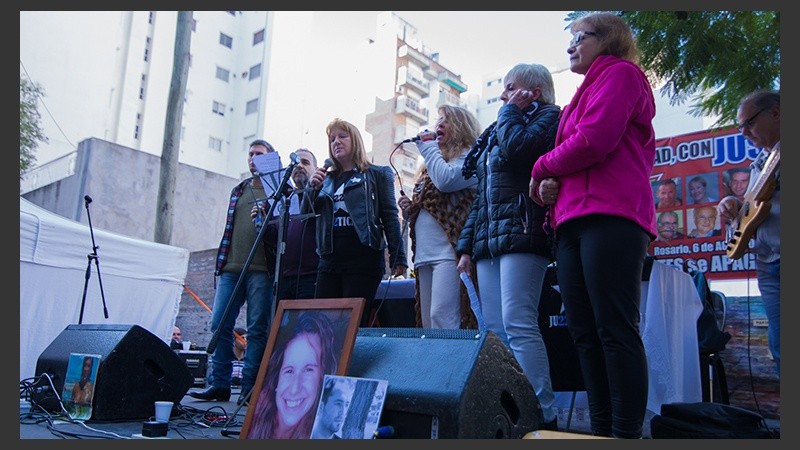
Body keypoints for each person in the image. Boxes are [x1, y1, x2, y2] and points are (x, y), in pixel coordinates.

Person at [529, 13, 656, 438]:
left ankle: (625, 434)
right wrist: (547, 187)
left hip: (612, 215)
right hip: (570, 220)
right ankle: (601, 432)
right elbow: (571, 159)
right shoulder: (580, 94)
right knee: (583, 332)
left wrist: (541, 168)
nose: (570, 47)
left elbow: (594, 141)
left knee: (615, 328)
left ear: (608, 39)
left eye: (579, 37)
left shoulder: (622, 74)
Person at [456, 63, 560, 430]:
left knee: (519, 323)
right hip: (489, 240)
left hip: (523, 231)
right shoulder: (503, 124)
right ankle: (512, 411)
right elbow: (482, 197)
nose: (503, 95)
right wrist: (466, 248)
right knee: (496, 333)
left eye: (511, 87)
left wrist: (509, 113)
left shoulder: (549, 117)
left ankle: (543, 413)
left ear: (534, 91)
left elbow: (519, 151)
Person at [189, 139, 277, 404]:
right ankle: (220, 384)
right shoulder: (239, 189)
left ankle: (249, 389)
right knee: (219, 324)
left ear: (270, 159)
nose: (253, 158)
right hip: (230, 268)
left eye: (259, 154)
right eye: (250, 154)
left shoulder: (277, 191)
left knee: (257, 329)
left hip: (261, 269)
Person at [307, 118, 407, 327]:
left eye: (342, 136)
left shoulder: (377, 174)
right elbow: (306, 218)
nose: (336, 142)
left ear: (355, 140)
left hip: (363, 259)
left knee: (351, 325)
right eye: (332, 139)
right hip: (329, 260)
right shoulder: (325, 179)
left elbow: (390, 215)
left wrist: (398, 256)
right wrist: (312, 189)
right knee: (322, 323)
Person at [397, 105, 481, 329]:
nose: (439, 124)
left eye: (447, 120)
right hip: (424, 254)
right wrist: (410, 210)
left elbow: (446, 181)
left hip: (450, 253)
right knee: (428, 323)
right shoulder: (431, 166)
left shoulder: (470, 158)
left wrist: (428, 147)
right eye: (438, 119)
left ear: (462, 127)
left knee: (442, 318)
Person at [718, 89, 780, 374]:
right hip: (768, 263)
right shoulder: (760, 165)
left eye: (749, 123)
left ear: (776, 113)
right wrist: (732, 205)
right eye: (740, 126)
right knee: (779, 347)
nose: (744, 132)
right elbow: (753, 211)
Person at [247, 311, 339, 439]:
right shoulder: (256, 423)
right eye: (289, 371)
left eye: (309, 370)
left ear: (322, 377)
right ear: (276, 379)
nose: (295, 389)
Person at [253, 148, 320, 301]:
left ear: (315, 169)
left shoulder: (321, 195)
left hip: (311, 277)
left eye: (305, 162)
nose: (299, 166)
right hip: (283, 278)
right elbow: (274, 239)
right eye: (295, 163)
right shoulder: (283, 200)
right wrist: (262, 222)